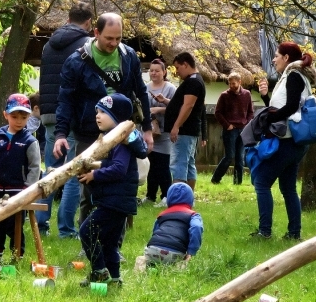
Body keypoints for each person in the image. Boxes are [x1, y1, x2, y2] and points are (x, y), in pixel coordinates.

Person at [54, 12, 153, 225]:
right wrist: (61, 133)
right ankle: (88, 233)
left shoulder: (129, 56)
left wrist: (147, 128)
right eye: (109, 38)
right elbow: (65, 100)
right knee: (89, 184)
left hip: (122, 130)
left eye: (118, 38)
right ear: (96, 32)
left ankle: (119, 234)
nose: (114, 43)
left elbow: (141, 92)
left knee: (124, 178)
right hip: (88, 130)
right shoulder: (76, 61)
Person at [251, 41, 316, 241]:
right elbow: (283, 106)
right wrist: (266, 98)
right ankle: (294, 233)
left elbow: (290, 107)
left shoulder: (294, 75)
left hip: (287, 141)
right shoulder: (295, 75)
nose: (273, 60)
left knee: (262, 182)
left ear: (286, 57)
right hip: (294, 142)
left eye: (276, 56)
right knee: (288, 188)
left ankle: (265, 232)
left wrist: (268, 118)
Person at [78, 94, 148, 286]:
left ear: (117, 117)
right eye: (97, 111)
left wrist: (95, 175)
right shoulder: (112, 140)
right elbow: (111, 165)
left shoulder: (121, 142)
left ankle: (99, 271)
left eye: (103, 112)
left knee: (87, 231)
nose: (97, 115)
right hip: (117, 201)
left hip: (115, 201)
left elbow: (119, 169)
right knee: (109, 243)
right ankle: (115, 279)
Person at [37, 3, 93, 238]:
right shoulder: (87, 45)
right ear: (89, 22)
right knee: (72, 172)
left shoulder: (48, 44)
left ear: (68, 19)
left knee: (50, 171)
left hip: (49, 113)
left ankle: (40, 223)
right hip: (71, 115)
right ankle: (66, 229)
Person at [0, 94, 42, 260]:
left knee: (15, 224)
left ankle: (17, 255)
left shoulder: (30, 141)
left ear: (29, 117)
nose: (19, 121)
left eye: (23, 117)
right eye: (14, 117)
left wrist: (28, 190)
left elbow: (35, 167)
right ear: (5, 115)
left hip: (18, 190)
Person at [164, 52, 206, 190]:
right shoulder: (195, 80)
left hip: (184, 131)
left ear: (186, 64)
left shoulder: (193, 82)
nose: (177, 72)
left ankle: (179, 197)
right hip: (189, 131)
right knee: (188, 163)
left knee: (179, 163)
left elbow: (188, 105)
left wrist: (176, 126)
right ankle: (188, 196)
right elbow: (181, 104)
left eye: (178, 68)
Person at [140, 58, 177, 207]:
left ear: (164, 72)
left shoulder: (170, 88)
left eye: (157, 70)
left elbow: (177, 108)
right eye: (151, 70)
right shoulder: (145, 88)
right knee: (151, 165)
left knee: (163, 165)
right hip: (150, 132)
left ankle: (167, 196)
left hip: (165, 132)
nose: (154, 73)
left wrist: (159, 109)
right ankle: (150, 195)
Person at [143, 182, 204, 265]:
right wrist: (191, 251)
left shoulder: (162, 214)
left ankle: (144, 262)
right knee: (179, 263)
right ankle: (180, 266)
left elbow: (155, 231)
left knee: (147, 260)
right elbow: (196, 227)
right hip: (175, 252)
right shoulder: (193, 215)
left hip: (153, 249)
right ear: (191, 199)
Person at [211, 72, 255, 185]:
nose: (231, 86)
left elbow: (250, 112)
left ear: (240, 82)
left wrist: (247, 124)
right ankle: (215, 179)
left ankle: (237, 182)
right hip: (230, 130)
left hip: (243, 129)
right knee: (229, 156)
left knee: (240, 157)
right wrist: (227, 125)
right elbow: (217, 113)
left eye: (233, 83)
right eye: (230, 84)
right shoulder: (224, 95)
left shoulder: (247, 94)